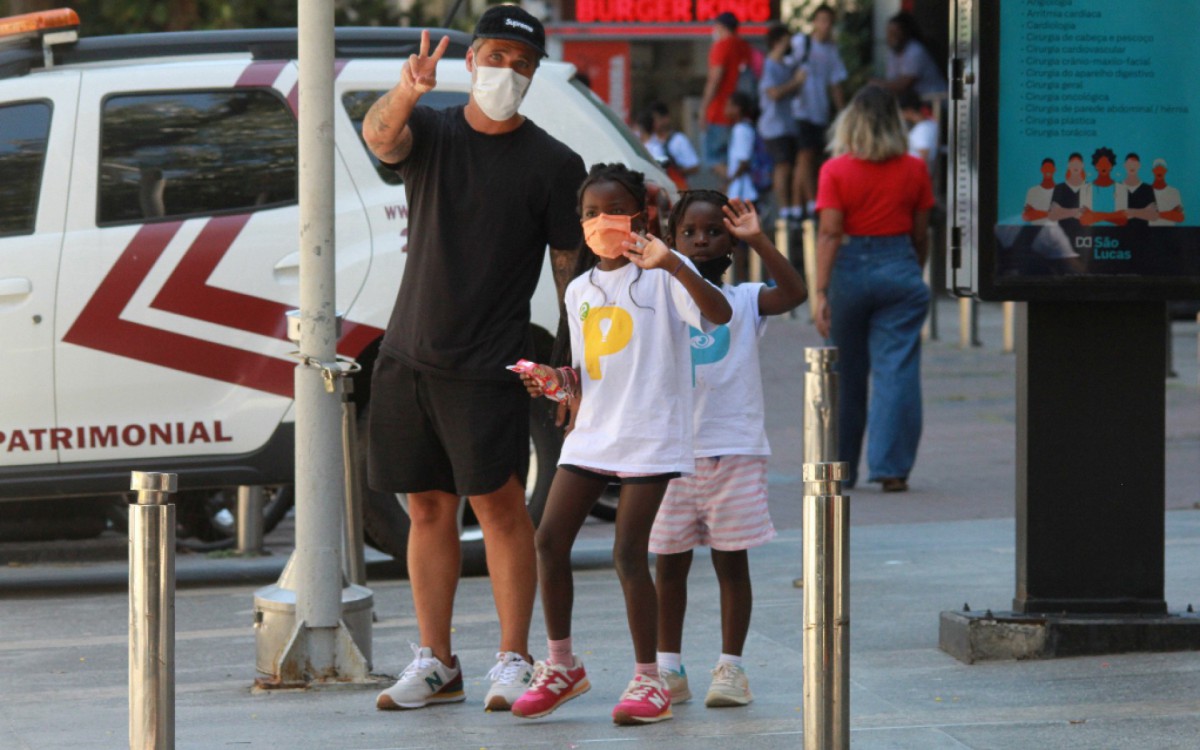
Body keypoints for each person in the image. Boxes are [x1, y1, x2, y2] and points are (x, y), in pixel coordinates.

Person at [362, 7, 587, 712]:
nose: (507, 73)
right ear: (471, 61)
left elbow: (568, 269)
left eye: (522, 63)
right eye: (495, 56)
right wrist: (407, 90)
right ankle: (436, 661)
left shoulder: (554, 163)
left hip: (491, 361)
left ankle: (513, 658)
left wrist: (569, 362)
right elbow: (380, 135)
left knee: (500, 507)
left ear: (535, 73)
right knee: (427, 507)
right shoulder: (430, 131)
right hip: (408, 353)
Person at [509, 163, 732, 725]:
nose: (599, 222)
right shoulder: (580, 288)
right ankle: (561, 665)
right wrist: (557, 382)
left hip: (650, 436)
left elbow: (720, 314)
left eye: (611, 212)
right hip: (593, 433)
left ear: (641, 216)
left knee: (629, 555)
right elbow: (586, 370)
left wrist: (676, 264)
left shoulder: (663, 274)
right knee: (549, 540)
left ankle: (649, 679)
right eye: (589, 213)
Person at [650, 191, 807, 709]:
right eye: (688, 232)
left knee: (730, 564)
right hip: (670, 455)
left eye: (712, 231)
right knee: (668, 566)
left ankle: (731, 669)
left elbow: (795, 292)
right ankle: (668, 669)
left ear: (730, 241)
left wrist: (760, 238)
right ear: (671, 239)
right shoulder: (657, 297)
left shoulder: (743, 299)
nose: (700, 240)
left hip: (734, 451)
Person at [813, 86, 934, 493]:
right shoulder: (915, 169)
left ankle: (841, 468)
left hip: (848, 268)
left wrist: (821, 291)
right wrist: (910, 271)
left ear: (851, 122)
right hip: (899, 263)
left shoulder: (835, 170)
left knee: (845, 374)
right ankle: (891, 468)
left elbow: (830, 234)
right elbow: (921, 233)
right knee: (895, 371)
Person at [790, 3, 848, 219]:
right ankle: (811, 202)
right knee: (805, 155)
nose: (825, 26)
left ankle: (797, 205)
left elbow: (836, 84)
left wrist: (842, 113)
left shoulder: (831, 50)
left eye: (829, 22)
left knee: (807, 158)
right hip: (800, 109)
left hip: (819, 110)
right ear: (814, 22)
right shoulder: (800, 43)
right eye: (821, 20)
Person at [757, 23, 804, 217]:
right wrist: (796, 82)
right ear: (777, 43)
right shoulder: (768, 66)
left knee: (791, 165)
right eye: (786, 41)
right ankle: (784, 209)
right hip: (774, 126)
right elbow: (774, 93)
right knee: (782, 165)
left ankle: (793, 206)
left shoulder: (785, 66)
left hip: (787, 125)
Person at [700, 12, 752, 171]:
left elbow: (715, 79)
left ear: (721, 27)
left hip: (719, 113)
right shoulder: (744, 46)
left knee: (713, 159)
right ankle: (731, 188)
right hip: (738, 115)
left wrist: (703, 109)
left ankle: (730, 186)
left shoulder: (722, 46)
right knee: (733, 159)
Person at [880, 12, 946, 99]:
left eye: (895, 33)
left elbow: (902, 87)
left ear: (905, 33)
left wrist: (876, 84)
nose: (891, 37)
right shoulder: (892, 53)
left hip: (937, 101)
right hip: (917, 102)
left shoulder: (915, 50)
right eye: (889, 33)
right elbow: (892, 82)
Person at [640, 101, 701, 190]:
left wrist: (673, 171)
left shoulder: (679, 140)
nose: (654, 122)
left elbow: (695, 167)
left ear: (666, 118)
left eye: (657, 119)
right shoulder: (649, 143)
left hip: (677, 188)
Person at [721, 91, 760, 204]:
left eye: (728, 106)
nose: (725, 109)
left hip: (743, 191)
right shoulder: (741, 128)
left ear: (737, 109)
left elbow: (743, 161)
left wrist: (729, 182)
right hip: (740, 189)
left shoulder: (741, 130)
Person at [1081, 146, 1126, 226]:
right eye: (1101, 163)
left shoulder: (1121, 188)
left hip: (1117, 235)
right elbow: (1084, 220)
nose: (1104, 166)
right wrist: (1113, 215)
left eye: (1107, 163)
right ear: (1095, 166)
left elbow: (1123, 219)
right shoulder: (1086, 188)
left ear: (1112, 165)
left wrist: (1093, 215)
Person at [899, 88, 938, 174]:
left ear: (909, 110)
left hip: (914, 174)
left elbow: (923, 156)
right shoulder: (929, 124)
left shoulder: (923, 129)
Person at [1116, 153, 1158, 227]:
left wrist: (1130, 212)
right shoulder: (1117, 187)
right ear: (1125, 165)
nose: (1132, 166)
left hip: (1143, 235)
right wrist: (1144, 212)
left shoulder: (1147, 189)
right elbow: (1116, 215)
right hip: (1121, 234)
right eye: (1129, 164)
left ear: (1139, 166)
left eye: (1135, 164)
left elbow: (1153, 215)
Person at [1049, 152, 1087, 229]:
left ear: (1082, 166)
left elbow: (1090, 214)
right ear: (1068, 166)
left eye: (1078, 163)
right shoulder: (1059, 188)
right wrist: (1076, 211)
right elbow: (1052, 215)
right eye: (1073, 163)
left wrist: (1061, 211)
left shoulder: (1089, 188)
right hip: (1062, 236)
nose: (1075, 166)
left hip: (1085, 236)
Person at [1149, 158, 1186, 226]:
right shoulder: (1145, 192)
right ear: (1153, 171)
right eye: (1157, 169)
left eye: (1162, 169)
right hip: (1150, 234)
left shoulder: (1174, 192)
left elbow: (1180, 217)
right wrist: (1171, 213)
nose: (1159, 171)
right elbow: (1140, 217)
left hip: (1170, 234)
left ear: (1165, 171)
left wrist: (1156, 214)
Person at [1022, 158, 1057, 224]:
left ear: (1054, 170)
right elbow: (1026, 216)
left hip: (1055, 232)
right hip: (1036, 232)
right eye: (1045, 168)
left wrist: (1035, 212)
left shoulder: (1061, 191)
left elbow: (1064, 217)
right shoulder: (1032, 191)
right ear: (1041, 170)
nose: (1048, 170)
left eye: (1050, 168)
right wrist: (1050, 214)